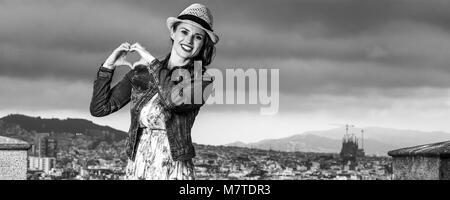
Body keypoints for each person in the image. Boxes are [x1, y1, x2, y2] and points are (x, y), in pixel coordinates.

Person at [89, 3, 218, 180]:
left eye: (197, 37)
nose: (188, 40)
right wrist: (108, 66)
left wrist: (150, 61)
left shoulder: (203, 81)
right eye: (184, 32)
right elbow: (100, 108)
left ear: (203, 44)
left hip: (173, 167)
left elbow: (172, 101)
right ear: (173, 32)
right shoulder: (142, 73)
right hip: (139, 163)